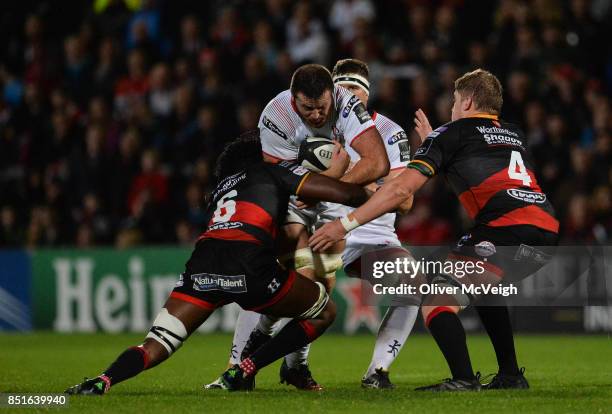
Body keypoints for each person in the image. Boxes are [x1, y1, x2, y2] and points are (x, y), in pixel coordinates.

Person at [64, 131, 373, 395]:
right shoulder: (270, 172)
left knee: (156, 343)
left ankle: (103, 380)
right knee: (324, 311)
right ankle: (244, 368)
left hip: (203, 265)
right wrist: (375, 192)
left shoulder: (220, 190)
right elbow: (343, 194)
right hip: (249, 266)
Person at [310, 69, 559, 391]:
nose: (453, 108)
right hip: (546, 229)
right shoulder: (513, 134)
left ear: (467, 101)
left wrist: (344, 223)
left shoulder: (451, 134)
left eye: (455, 102)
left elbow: (400, 191)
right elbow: (478, 167)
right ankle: (511, 375)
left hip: (505, 228)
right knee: (486, 290)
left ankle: (463, 380)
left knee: (435, 296)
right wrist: (437, 143)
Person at [206, 63, 389, 391]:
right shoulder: (275, 116)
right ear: (293, 101)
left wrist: (334, 181)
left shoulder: (346, 103)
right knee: (301, 282)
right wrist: (329, 177)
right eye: (309, 108)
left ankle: (294, 367)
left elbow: (377, 163)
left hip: (330, 195)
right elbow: (280, 177)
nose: (318, 115)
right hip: (291, 196)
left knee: (322, 288)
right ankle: (246, 359)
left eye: (323, 107)